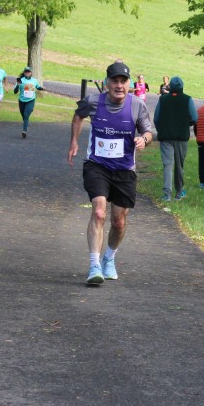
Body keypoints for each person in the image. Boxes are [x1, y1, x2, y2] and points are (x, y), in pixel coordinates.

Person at [68, 61, 154, 285]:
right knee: (99, 212)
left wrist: (143, 140)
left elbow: (148, 131)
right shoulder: (93, 101)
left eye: (123, 81)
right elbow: (78, 116)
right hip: (97, 165)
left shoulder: (137, 105)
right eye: (114, 81)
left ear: (129, 83)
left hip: (124, 170)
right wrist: (74, 142)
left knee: (119, 222)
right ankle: (94, 265)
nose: (119, 85)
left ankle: (109, 257)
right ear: (107, 83)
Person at [154, 76, 197, 201]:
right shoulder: (187, 99)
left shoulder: (163, 99)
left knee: (167, 165)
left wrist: (161, 129)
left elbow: (156, 118)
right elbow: (194, 118)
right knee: (179, 165)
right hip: (181, 137)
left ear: (170, 86)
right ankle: (179, 192)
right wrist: (186, 124)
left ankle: (167, 194)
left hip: (166, 137)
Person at [14, 66, 42, 138]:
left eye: (28, 72)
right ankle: (26, 124)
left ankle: (24, 130)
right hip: (22, 100)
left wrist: (42, 88)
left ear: (31, 73)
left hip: (30, 100)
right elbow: (15, 91)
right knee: (23, 115)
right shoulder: (20, 80)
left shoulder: (34, 80)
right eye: (26, 72)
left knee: (26, 114)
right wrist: (17, 85)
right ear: (24, 73)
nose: (27, 73)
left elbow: (37, 86)